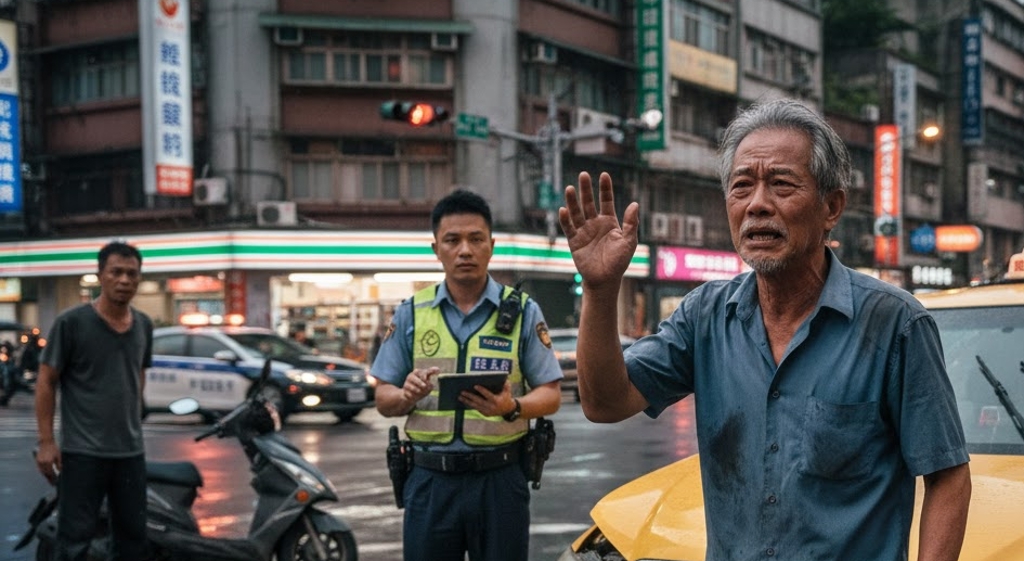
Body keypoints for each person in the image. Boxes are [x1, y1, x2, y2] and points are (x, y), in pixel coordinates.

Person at [559, 99, 971, 561]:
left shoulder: (895, 323)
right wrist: (600, 289)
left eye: (781, 184)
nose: (757, 205)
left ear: (831, 206)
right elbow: (604, 402)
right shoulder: (705, 316)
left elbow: (947, 476)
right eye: (741, 187)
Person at [372, 188, 563, 561]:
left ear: (491, 245)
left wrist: (512, 407)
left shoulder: (523, 312)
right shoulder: (411, 313)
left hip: (501, 480)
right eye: (452, 240)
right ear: (436, 249)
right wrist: (405, 395)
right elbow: (383, 399)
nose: (465, 250)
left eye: (476, 239)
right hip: (429, 481)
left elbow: (551, 395)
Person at [35, 241, 154, 561]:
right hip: (82, 453)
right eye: (116, 272)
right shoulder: (71, 323)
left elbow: (137, 374)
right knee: (74, 542)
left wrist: (134, 411)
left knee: (133, 542)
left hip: (130, 452)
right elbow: (46, 382)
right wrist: (47, 442)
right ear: (100, 275)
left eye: (132, 273)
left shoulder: (144, 324)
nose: (124, 280)